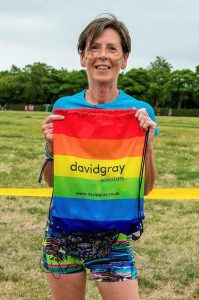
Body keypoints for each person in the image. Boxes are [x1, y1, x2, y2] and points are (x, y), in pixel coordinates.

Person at [41, 14, 158, 300]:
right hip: (62, 235)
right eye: (93, 47)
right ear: (83, 57)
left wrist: (146, 142)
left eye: (111, 48)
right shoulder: (64, 108)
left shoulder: (139, 112)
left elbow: (146, 188)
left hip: (113, 240)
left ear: (124, 58)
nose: (102, 55)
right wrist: (51, 147)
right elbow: (52, 182)